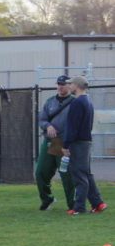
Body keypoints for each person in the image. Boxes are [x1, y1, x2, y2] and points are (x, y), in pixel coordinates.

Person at [62, 75, 107, 216]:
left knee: (79, 174)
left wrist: (66, 144)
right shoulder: (88, 101)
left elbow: (72, 127)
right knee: (86, 173)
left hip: (78, 143)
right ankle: (98, 203)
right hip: (86, 141)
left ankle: (79, 207)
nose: (69, 86)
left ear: (76, 86)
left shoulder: (77, 103)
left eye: (71, 84)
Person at [35, 75, 75, 211]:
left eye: (63, 84)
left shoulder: (75, 102)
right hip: (51, 142)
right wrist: (48, 126)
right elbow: (41, 120)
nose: (60, 86)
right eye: (59, 84)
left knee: (67, 175)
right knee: (41, 172)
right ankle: (47, 199)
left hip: (65, 143)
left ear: (70, 85)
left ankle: (73, 205)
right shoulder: (50, 101)